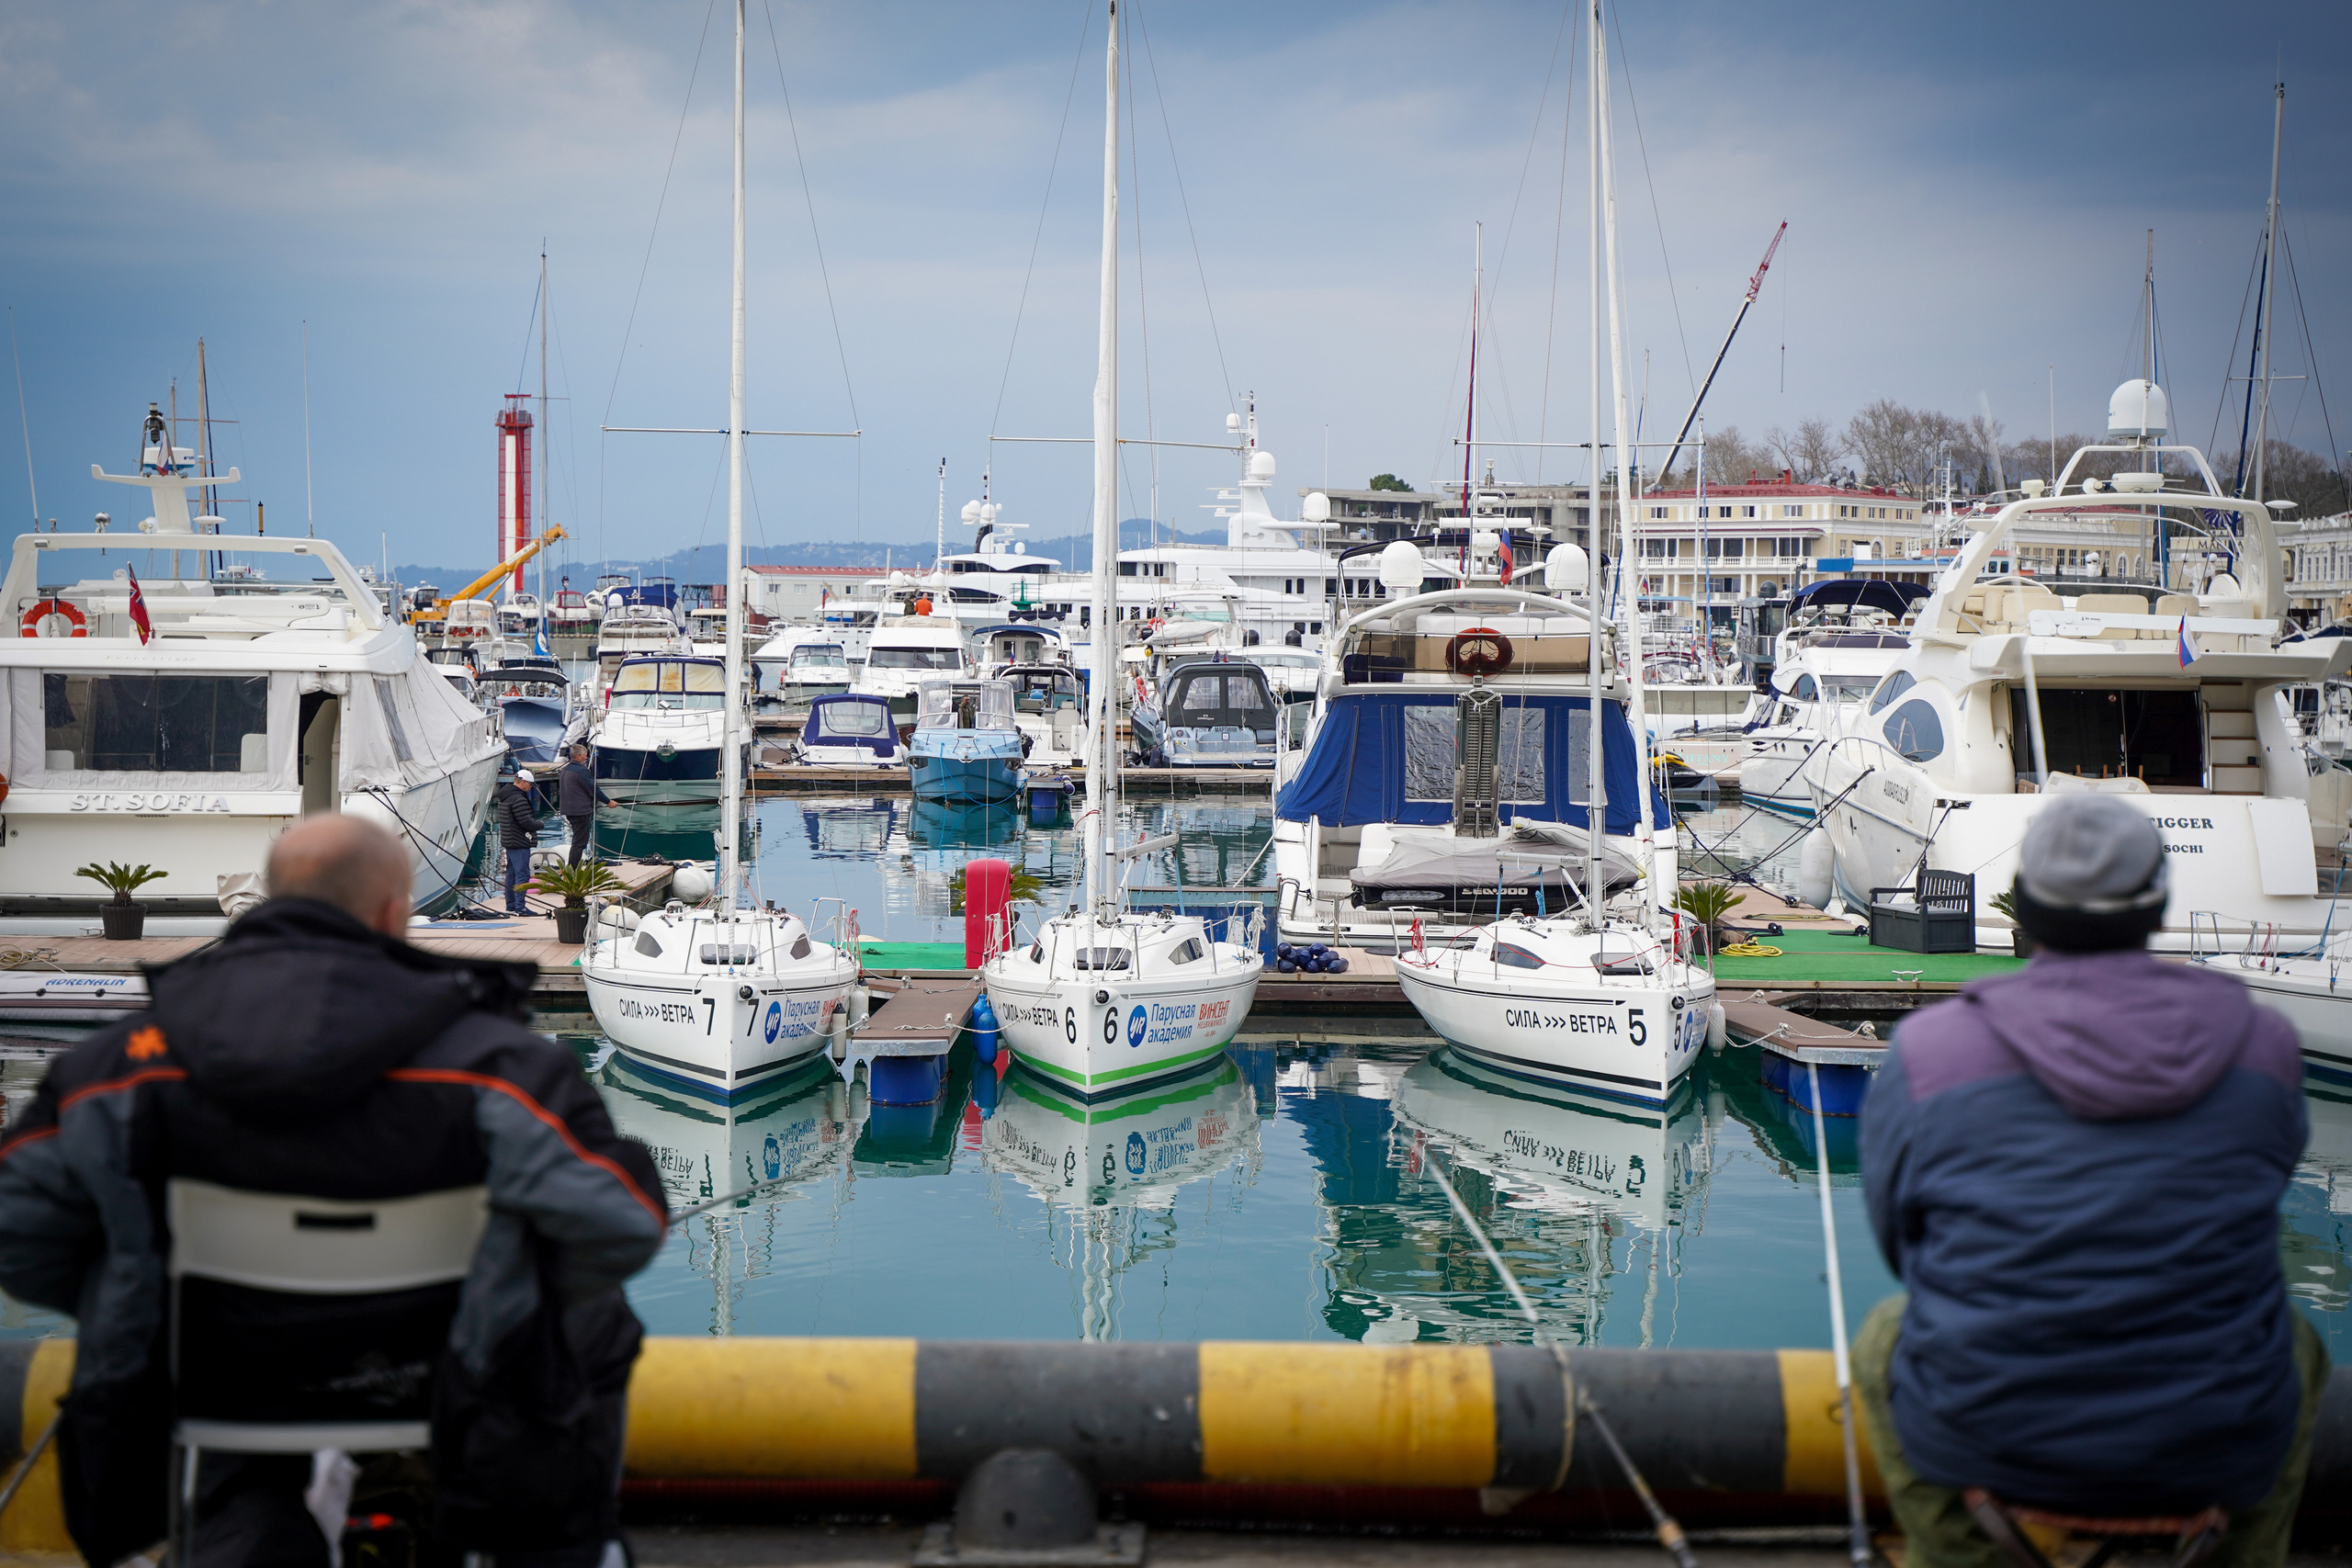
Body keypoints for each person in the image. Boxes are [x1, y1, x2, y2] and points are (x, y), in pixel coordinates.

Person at [0, 815, 666, 1564]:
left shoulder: (120, 1066)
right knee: (595, 1316)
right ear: (392, 914)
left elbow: (18, 1230)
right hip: (457, 1388)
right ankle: (565, 1543)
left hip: (207, 1392)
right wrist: (501, 1288)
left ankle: (245, 1514)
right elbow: (623, 1222)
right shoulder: (497, 1066)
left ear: (270, 900)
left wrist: (136, 1286)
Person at [1857, 794, 2322, 1566]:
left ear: (2026, 911)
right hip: (2212, 1445)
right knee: (2299, 1341)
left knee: (1883, 1339)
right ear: (2159, 905)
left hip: (1992, 1437)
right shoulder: (2263, 1042)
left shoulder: (1931, 1050)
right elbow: (2260, 1198)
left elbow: (1904, 1244)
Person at [560, 743, 613, 866]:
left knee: (577, 841)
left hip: (569, 811)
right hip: (581, 812)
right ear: (578, 756)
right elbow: (594, 789)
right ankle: (572, 871)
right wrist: (608, 801)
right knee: (580, 843)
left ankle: (572, 868)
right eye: (585, 756)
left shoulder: (564, 770)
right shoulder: (582, 771)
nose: (586, 758)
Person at [497, 765, 539, 914]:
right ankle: (520, 907)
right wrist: (539, 824)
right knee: (522, 874)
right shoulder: (518, 799)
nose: (530, 787)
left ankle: (511, 906)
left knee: (512, 874)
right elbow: (526, 822)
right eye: (530, 784)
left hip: (509, 840)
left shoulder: (505, 796)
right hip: (519, 841)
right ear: (523, 782)